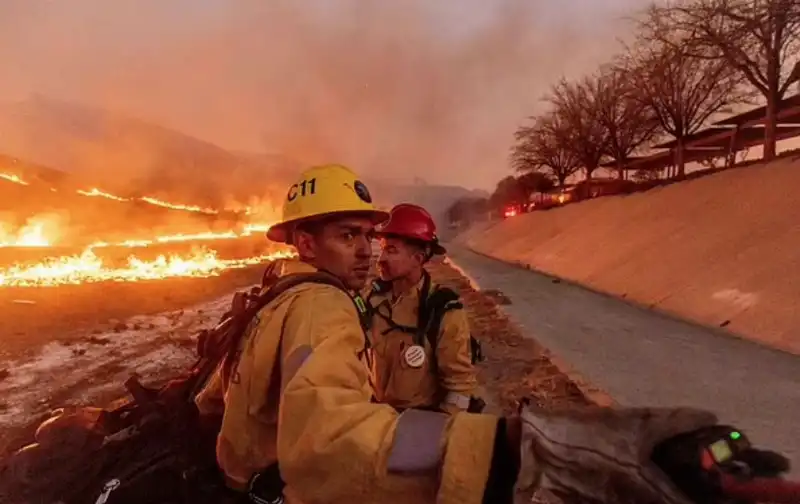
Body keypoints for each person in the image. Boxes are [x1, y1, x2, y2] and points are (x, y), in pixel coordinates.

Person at [195, 162, 723, 504]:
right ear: (304, 245)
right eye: (346, 236)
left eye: (370, 237)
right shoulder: (322, 307)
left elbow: (214, 402)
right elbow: (332, 440)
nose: (367, 251)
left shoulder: (270, 302)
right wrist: (503, 451)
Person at [366, 203, 479, 414]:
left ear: (417, 259)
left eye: (391, 250)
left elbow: (459, 388)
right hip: (375, 419)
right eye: (382, 249)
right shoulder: (373, 299)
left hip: (418, 423)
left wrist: (435, 434)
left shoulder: (443, 309)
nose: (381, 259)